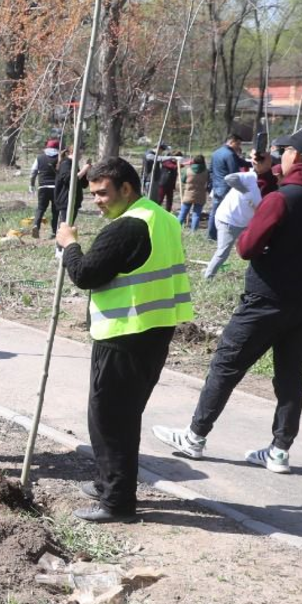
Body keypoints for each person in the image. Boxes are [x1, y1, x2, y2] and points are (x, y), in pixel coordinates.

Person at [152, 127, 302, 475]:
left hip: (266, 299)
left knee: (226, 365)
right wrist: (266, 179)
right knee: (290, 377)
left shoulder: (281, 199)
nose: (279, 156)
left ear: (296, 156)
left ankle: (195, 437)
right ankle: (279, 451)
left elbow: (246, 247)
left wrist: (268, 212)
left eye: (283, 151)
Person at [54, 157, 193, 524]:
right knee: (120, 416)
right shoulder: (162, 218)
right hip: (155, 329)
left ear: (127, 189)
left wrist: (69, 245)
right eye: (94, 194)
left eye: (103, 193)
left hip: (124, 335)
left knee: (110, 419)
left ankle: (117, 502)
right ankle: (106, 483)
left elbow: (84, 274)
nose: (97, 200)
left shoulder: (127, 228)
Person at [202, 157, 263, 279]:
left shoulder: (268, 186)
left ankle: (208, 270)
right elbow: (229, 178)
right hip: (229, 220)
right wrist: (245, 192)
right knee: (223, 252)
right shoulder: (250, 177)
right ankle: (208, 277)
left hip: (244, 223)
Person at [207, 133, 244, 231]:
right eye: (238, 144)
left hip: (217, 186)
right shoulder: (230, 155)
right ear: (232, 142)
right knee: (224, 212)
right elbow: (234, 173)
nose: (239, 146)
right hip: (226, 187)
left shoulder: (216, 152)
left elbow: (210, 169)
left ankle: (211, 233)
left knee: (215, 211)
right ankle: (220, 232)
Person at [28, 139, 60, 238]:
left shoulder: (40, 158)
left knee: (41, 208)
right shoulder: (60, 158)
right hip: (56, 188)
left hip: (43, 187)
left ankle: (36, 225)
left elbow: (33, 173)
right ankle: (54, 232)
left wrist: (32, 185)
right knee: (55, 211)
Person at [178, 156, 207, 225]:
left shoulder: (188, 170)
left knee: (182, 213)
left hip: (188, 194)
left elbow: (183, 180)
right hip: (200, 195)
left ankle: (176, 228)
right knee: (196, 215)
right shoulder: (206, 171)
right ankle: (194, 233)